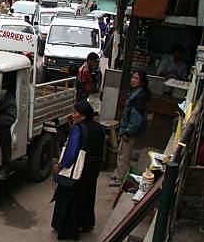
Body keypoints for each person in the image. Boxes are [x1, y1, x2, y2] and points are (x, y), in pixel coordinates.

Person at [51, 100, 105, 240]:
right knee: (87, 196)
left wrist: (60, 165)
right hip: (92, 169)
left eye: (75, 113)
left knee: (69, 199)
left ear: (83, 116)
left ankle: (68, 229)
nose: (73, 115)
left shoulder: (78, 129)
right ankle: (85, 224)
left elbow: (71, 152)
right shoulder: (99, 128)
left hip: (78, 170)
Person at [110, 71, 150, 187]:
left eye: (136, 78)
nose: (133, 80)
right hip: (127, 128)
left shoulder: (140, 96)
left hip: (130, 131)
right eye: (132, 77)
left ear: (141, 81)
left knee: (124, 154)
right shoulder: (136, 93)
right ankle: (119, 173)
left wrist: (128, 132)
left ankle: (121, 179)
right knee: (122, 151)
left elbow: (136, 118)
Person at [0, 75, 17, 180]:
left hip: (1, 125)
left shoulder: (8, 97)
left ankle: (6, 165)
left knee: (5, 135)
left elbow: (11, 117)